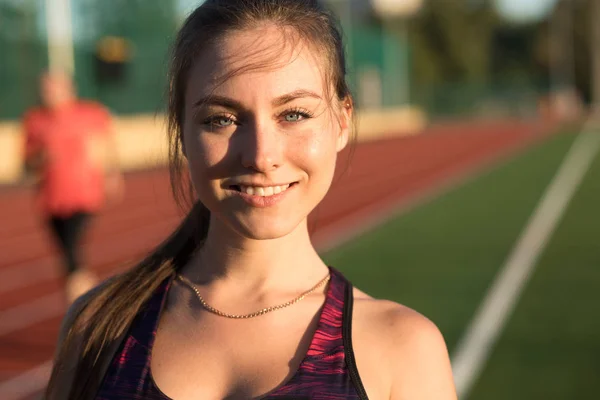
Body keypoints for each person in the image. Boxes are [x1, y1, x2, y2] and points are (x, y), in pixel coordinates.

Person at [45, 1, 456, 399]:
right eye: (221, 119)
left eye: (293, 114)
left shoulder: (404, 349)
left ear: (343, 120)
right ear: (182, 131)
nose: (261, 156)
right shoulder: (96, 326)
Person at [22, 71, 123, 304]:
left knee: (72, 254)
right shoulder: (34, 120)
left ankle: (81, 308)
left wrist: (112, 175)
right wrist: (40, 157)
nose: (49, 93)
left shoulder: (90, 113)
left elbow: (106, 146)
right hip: (50, 199)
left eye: (54, 87)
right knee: (68, 260)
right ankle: (89, 299)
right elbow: (26, 165)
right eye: (45, 88)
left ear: (70, 88)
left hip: (84, 195)